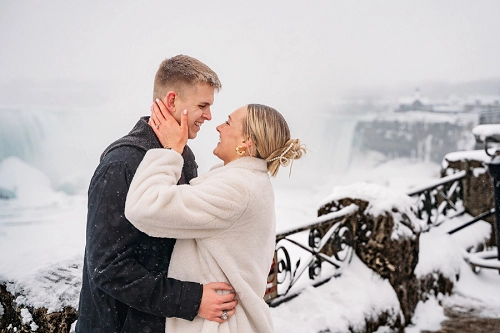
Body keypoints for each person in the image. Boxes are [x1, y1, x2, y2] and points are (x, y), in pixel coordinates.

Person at [76, 55, 238, 333]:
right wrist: (192, 299)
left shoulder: (182, 154)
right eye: (203, 106)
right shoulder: (122, 163)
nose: (210, 116)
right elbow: (108, 269)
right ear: (172, 101)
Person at [124, 101, 305, 332]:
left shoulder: (237, 188)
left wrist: (170, 150)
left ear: (246, 142)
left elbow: (143, 207)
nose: (219, 127)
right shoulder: (251, 182)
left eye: (228, 122)